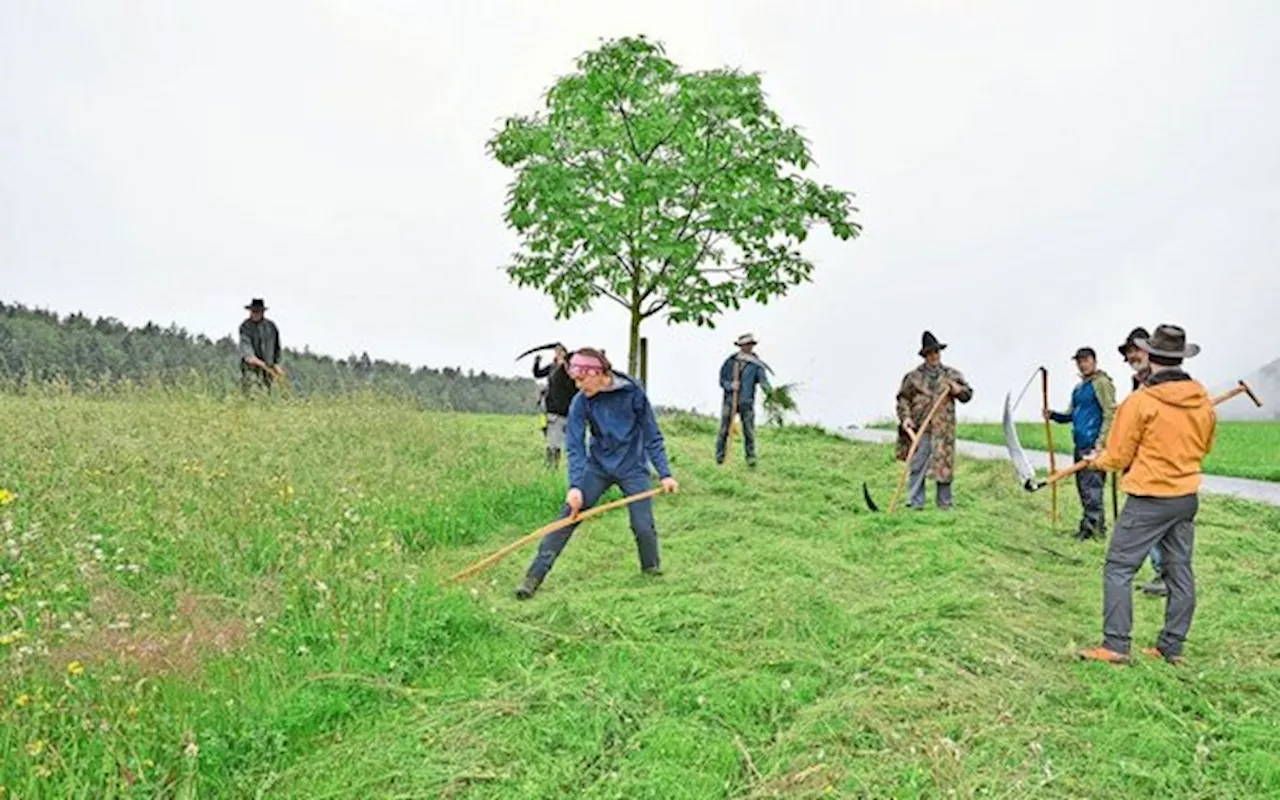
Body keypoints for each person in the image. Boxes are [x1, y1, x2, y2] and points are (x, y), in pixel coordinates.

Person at [1079, 324, 1216, 665]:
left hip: (1150, 498)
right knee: (1179, 569)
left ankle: (1115, 645)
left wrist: (1097, 461)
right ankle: (1172, 648)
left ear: (1151, 357)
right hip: (1185, 497)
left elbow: (1119, 456)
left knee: (1118, 567)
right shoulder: (1202, 401)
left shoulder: (1140, 402)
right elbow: (1205, 446)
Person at [515, 348, 679, 600]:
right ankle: (533, 576)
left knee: (642, 525)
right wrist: (575, 487)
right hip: (598, 467)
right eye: (575, 381)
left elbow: (652, 435)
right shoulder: (581, 401)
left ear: (599, 373)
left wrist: (665, 473)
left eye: (581, 379)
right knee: (568, 516)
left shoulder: (633, 392)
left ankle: (651, 571)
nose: (578, 386)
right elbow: (576, 446)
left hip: (632, 467)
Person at [895, 331, 974, 510]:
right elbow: (903, 399)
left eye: (936, 352)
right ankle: (915, 503)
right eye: (930, 353)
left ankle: (945, 504)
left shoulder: (952, 375)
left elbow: (968, 394)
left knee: (943, 466)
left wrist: (956, 389)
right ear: (924, 356)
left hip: (943, 429)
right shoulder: (913, 377)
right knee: (917, 464)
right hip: (921, 427)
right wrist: (906, 418)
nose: (933, 356)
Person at [1045, 347, 1117, 540]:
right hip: (1080, 443)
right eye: (1079, 361)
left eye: (1085, 360)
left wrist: (1101, 444)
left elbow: (1110, 413)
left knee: (1092, 487)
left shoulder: (1102, 383)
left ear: (1094, 361)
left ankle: (1093, 529)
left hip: (1094, 445)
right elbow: (1071, 415)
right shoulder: (1079, 388)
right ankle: (1090, 527)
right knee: (1084, 488)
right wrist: (1054, 415)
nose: (1082, 364)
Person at [1120, 326, 1166, 596]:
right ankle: (1163, 574)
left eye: (1136, 350)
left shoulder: (1162, 381)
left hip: (1159, 464)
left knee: (1154, 523)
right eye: (1129, 352)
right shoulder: (1138, 382)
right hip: (1141, 463)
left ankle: (1165, 576)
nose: (1132, 356)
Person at [715, 333, 772, 467]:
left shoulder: (756, 364)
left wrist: (770, 393)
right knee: (724, 430)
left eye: (750, 344)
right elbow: (722, 380)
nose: (748, 347)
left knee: (749, 431)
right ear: (740, 346)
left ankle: (750, 459)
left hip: (747, 401)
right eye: (745, 345)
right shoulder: (731, 361)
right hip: (730, 401)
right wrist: (731, 385)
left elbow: (763, 381)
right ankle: (720, 458)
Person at [532, 344, 575, 469]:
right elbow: (538, 373)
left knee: (571, 444)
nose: (558, 355)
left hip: (568, 412)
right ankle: (551, 467)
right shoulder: (552, 368)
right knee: (553, 442)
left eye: (560, 353)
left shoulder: (572, 372)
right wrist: (536, 362)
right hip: (552, 411)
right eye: (556, 352)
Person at [238, 298, 282, 395]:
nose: (255, 313)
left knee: (266, 394)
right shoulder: (245, 327)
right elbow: (247, 352)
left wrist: (276, 364)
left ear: (263, 312)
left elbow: (276, 348)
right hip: (251, 369)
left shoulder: (271, 327)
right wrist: (259, 362)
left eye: (258, 311)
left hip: (268, 369)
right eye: (253, 311)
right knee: (252, 392)